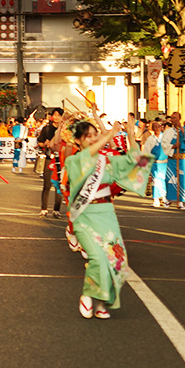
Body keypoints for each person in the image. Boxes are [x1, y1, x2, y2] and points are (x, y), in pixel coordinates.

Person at [66, 118, 151, 319]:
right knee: (97, 257)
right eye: (88, 136)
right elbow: (87, 158)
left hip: (106, 214)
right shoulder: (74, 160)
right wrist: (110, 134)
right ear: (78, 140)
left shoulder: (106, 160)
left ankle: (102, 301)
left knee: (115, 259)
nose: (94, 138)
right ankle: (89, 294)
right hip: (85, 216)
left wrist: (130, 135)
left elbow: (138, 162)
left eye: (95, 134)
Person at [36, 108, 63, 212]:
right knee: (47, 185)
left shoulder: (65, 130)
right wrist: (45, 144)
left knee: (59, 186)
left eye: (59, 115)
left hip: (61, 159)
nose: (56, 117)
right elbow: (40, 143)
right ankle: (44, 208)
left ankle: (57, 209)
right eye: (55, 115)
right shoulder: (47, 129)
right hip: (49, 158)